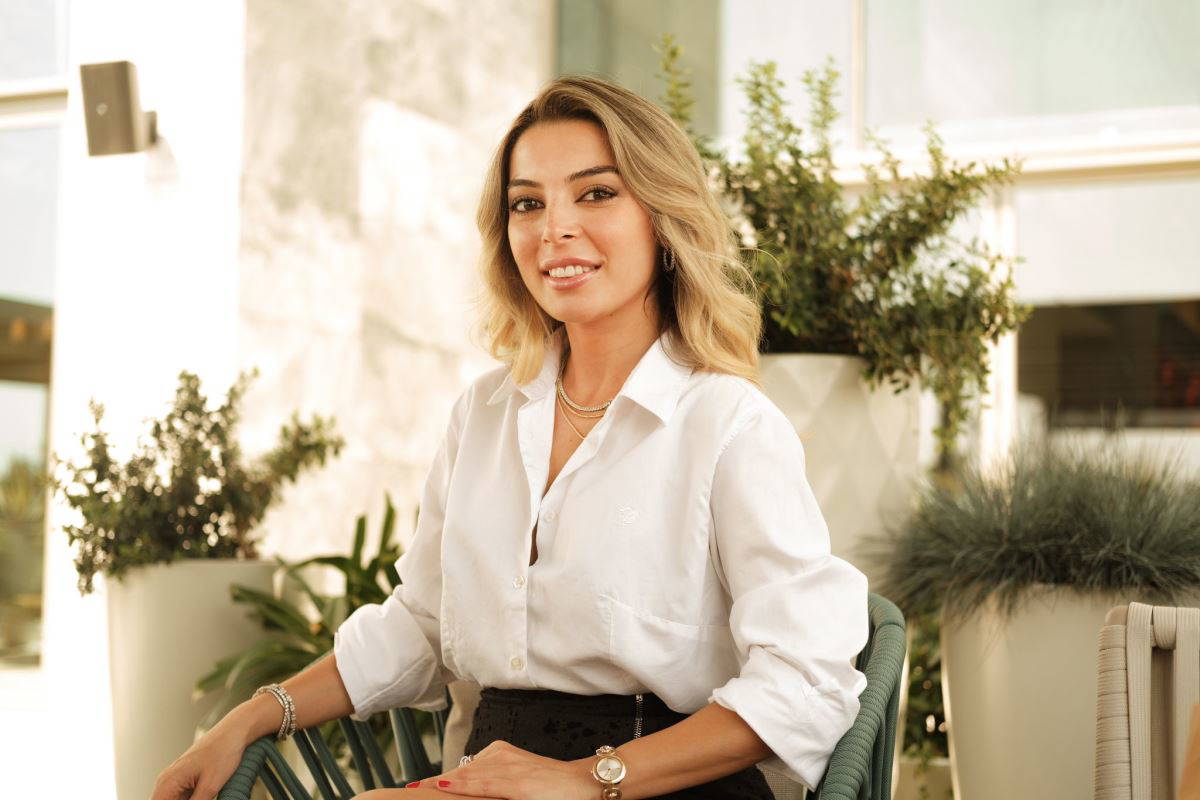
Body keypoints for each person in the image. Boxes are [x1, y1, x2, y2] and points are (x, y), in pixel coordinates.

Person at [152, 75, 868, 800]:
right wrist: (251, 716)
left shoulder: (730, 424)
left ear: (663, 216)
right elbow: (423, 623)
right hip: (492, 778)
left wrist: (585, 780)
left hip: (660, 785)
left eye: (596, 193)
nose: (554, 229)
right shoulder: (484, 414)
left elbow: (806, 680)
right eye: (528, 203)